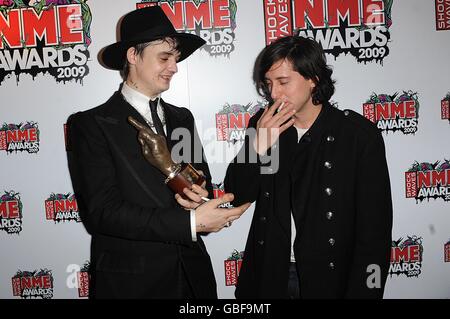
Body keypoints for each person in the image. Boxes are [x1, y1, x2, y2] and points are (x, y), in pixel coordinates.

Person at [67, 6, 249, 299]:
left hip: (194, 279)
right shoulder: (90, 125)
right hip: (132, 284)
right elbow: (103, 213)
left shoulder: (182, 118)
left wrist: (196, 196)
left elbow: (201, 189)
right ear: (132, 57)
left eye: (175, 58)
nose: (174, 67)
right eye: (164, 57)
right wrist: (191, 223)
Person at [224, 36, 393, 299]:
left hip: (332, 278)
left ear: (313, 78)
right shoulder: (264, 125)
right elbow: (237, 195)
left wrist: (367, 292)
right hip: (271, 275)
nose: (274, 94)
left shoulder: (357, 136)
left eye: (283, 82)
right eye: (269, 84)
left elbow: (375, 234)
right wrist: (257, 147)